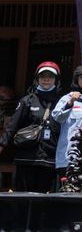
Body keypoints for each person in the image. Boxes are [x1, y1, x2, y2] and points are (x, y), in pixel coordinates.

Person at [0, 61, 61, 192]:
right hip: (26, 158)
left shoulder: (60, 102)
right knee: (22, 198)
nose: (46, 79)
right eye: (42, 76)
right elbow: (12, 126)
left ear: (56, 80)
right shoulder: (27, 101)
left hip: (48, 159)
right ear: (37, 79)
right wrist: (2, 144)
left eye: (50, 76)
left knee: (42, 201)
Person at [52, 64, 82, 178]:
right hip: (69, 158)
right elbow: (57, 117)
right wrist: (70, 102)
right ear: (76, 80)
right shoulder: (67, 98)